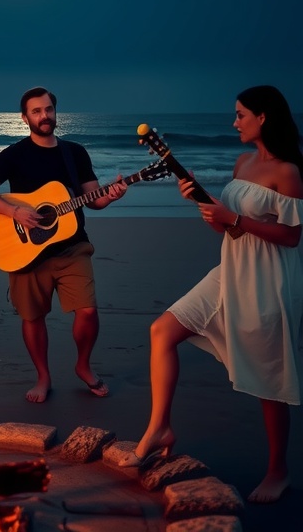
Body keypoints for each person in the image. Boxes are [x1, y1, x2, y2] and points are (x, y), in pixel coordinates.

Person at [119, 85, 303, 504]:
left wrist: (232, 215)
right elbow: (228, 227)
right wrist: (206, 207)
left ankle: (278, 471)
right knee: (163, 330)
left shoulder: (288, 171)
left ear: (263, 117)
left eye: (240, 115)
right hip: (230, 269)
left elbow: (291, 236)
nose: (234, 122)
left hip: (268, 279)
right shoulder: (242, 161)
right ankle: (159, 426)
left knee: (270, 380)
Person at [0, 86, 128, 403]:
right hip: (27, 252)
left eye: (48, 109)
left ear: (56, 112)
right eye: (37, 111)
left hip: (73, 247)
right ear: (25, 117)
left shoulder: (74, 153)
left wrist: (110, 196)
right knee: (33, 317)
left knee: (87, 310)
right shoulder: (15, 154)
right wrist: (14, 210)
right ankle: (43, 376)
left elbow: (93, 199)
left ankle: (83, 365)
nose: (44, 116)